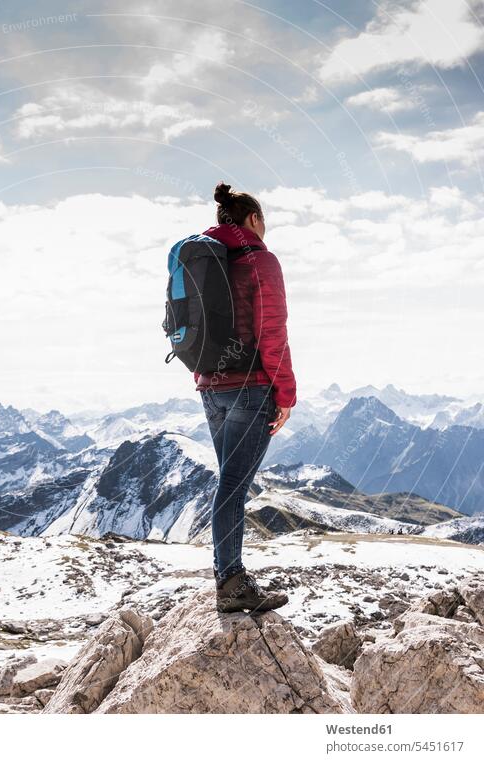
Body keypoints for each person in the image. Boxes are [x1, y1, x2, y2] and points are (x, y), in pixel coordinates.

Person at [196, 182, 296, 613]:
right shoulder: (261, 261)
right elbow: (272, 331)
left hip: (210, 386)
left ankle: (229, 578)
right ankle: (232, 586)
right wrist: (286, 393)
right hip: (249, 386)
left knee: (229, 483)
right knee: (233, 487)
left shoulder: (202, 260)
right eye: (264, 220)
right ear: (253, 219)